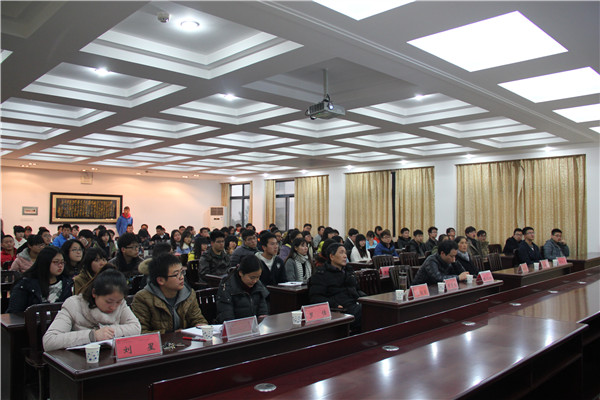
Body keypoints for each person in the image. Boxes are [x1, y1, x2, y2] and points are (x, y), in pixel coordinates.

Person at [42, 269, 140, 351]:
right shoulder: (74, 305)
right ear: (94, 293)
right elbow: (49, 341)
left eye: (118, 302)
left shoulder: (121, 304)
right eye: (108, 301)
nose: (113, 307)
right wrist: (92, 335)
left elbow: (136, 328)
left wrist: (107, 332)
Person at [132, 253, 207, 334]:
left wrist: (200, 325)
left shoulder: (188, 294)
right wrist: (170, 334)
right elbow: (140, 331)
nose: (182, 277)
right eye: (176, 274)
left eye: (182, 272)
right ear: (161, 280)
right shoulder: (143, 298)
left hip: (186, 340)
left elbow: (197, 318)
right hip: (161, 341)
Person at [309, 243, 364, 333]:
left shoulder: (348, 271)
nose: (345, 256)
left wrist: (366, 298)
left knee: (374, 308)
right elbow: (315, 297)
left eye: (345, 253)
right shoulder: (321, 274)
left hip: (354, 304)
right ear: (332, 256)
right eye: (341, 253)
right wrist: (334, 304)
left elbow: (357, 289)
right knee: (368, 313)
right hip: (341, 310)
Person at [7, 246, 73, 313]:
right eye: (56, 262)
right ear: (44, 262)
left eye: (62, 262)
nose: (60, 265)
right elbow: (14, 312)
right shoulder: (25, 284)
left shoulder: (67, 283)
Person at [216, 256, 269, 323]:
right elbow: (227, 317)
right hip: (235, 326)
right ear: (241, 273)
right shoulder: (227, 286)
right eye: (252, 277)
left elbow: (263, 310)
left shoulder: (258, 285)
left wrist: (262, 319)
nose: (255, 281)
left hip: (255, 326)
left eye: (258, 277)